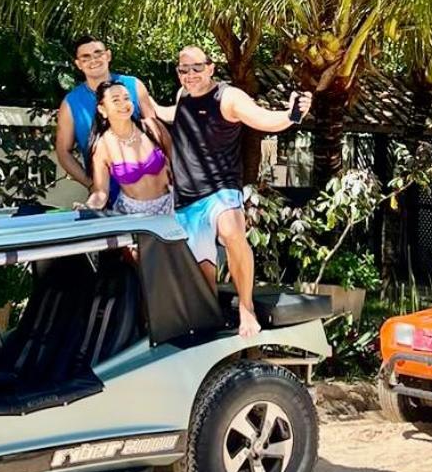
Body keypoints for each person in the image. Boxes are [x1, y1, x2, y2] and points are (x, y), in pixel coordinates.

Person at [153, 46, 312, 338]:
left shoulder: (229, 98)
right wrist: (145, 104)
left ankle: (247, 307)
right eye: (183, 70)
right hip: (188, 198)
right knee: (203, 274)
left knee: (231, 231)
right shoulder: (183, 96)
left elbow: (262, 119)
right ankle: (208, 324)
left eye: (197, 68)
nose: (190, 75)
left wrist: (292, 115)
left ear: (211, 68)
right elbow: (173, 114)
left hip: (221, 189)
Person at [55, 36, 157, 197]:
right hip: (107, 197)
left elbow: (155, 132)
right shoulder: (71, 103)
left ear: (108, 56)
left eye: (98, 54)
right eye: (86, 57)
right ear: (78, 64)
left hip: (149, 190)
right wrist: (92, 185)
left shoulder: (133, 86)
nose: (93, 60)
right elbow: (63, 151)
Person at [85, 81, 175, 216]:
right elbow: (101, 192)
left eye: (126, 98)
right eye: (116, 100)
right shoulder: (103, 146)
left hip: (170, 205)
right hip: (133, 215)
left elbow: (178, 164)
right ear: (102, 109)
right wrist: (87, 208)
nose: (123, 104)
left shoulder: (152, 128)